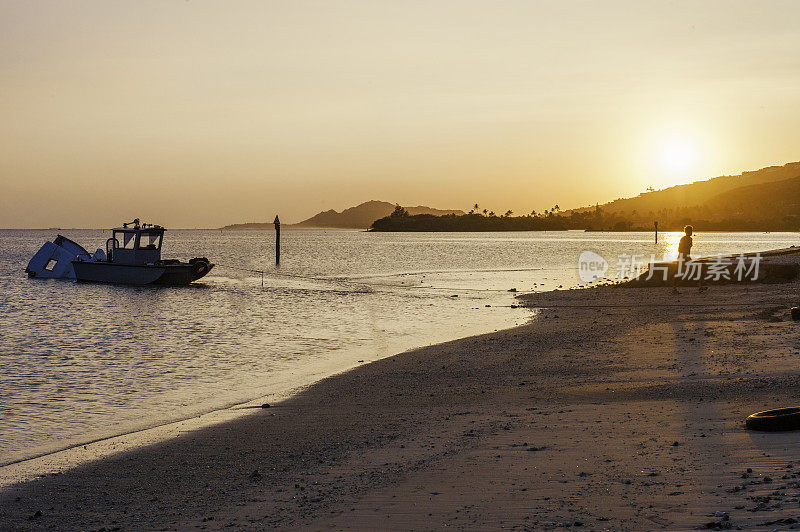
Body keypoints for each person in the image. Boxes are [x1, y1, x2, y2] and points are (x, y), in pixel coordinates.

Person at [673, 225, 706, 293]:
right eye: (690, 231)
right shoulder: (685, 239)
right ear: (686, 231)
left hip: (684, 257)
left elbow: (680, 249)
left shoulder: (687, 239)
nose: (691, 232)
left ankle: (699, 286)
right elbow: (681, 249)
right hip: (684, 257)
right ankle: (674, 288)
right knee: (682, 272)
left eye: (691, 231)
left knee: (691, 271)